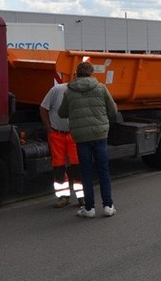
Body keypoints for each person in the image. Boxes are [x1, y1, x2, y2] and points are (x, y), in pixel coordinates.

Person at [58, 62, 118, 218]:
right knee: (103, 170)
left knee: (86, 172)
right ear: (92, 73)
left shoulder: (69, 91)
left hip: (81, 136)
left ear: (77, 73)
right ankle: (108, 206)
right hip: (99, 134)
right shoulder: (101, 88)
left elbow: (62, 112)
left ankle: (89, 208)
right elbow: (113, 110)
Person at [40, 82, 84, 208]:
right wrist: (49, 128)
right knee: (58, 166)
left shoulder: (82, 91)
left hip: (73, 134)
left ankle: (82, 197)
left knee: (77, 166)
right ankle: (63, 197)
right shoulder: (57, 90)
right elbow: (43, 108)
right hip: (57, 134)